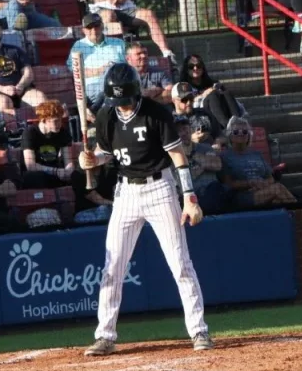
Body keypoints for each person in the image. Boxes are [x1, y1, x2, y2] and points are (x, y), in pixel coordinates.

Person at [78, 63, 213, 355]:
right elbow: (105, 153)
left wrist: (190, 197)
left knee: (180, 263)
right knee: (113, 266)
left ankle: (199, 330)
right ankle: (105, 336)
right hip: (125, 193)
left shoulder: (155, 113)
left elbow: (178, 156)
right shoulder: (106, 115)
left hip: (160, 188)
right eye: (118, 101)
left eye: (126, 101)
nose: (122, 106)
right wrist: (91, 160)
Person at [219, 116, 297, 209]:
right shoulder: (225, 156)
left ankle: (299, 213)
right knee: (278, 189)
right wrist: (250, 183)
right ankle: (301, 212)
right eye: (236, 132)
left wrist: (262, 184)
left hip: (263, 191)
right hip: (242, 196)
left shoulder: (256, 154)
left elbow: (270, 178)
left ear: (249, 136)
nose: (241, 134)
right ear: (230, 136)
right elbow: (228, 184)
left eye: (245, 132)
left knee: (278, 201)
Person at [67, 12, 127, 113]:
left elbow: (129, 66)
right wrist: (100, 70)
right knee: (109, 82)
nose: (94, 30)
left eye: (96, 26)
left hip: (119, 85)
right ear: (83, 30)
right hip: (92, 87)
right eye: (89, 28)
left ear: (102, 26)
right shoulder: (78, 46)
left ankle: (95, 112)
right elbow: (74, 71)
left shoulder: (118, 43)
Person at [173, 115, 228, 215]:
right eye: (178, 131)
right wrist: (203, 164)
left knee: (216, 189)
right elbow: (186, 178)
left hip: (209, 194)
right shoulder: (172, 154)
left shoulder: (205, 148)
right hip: (186, 198)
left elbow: (217, 165)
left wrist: (191, 153)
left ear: (190, 129)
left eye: (185, 129)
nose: (183, 133)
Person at [179, 54, 241, 134]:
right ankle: (227, 128)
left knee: (226, 93)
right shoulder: (184, 86)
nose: (195, 68)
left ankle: (239, 124)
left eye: (198, 66)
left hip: (218, 110)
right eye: (191, 66)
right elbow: (185, 102)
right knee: (212, 95)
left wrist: (219, 90)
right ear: (186, 69)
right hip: (199, 113)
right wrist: (205, 94)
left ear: (203, 68)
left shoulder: (212, 82)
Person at [21, 100, 74, 189]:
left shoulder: (63, 132)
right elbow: (30, 165)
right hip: (37, 174)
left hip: (57, 172)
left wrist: (68, 171)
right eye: (55, 121)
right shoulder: (29, 133)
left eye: (60, 120)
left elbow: (68, 161)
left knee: (77, 176)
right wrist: (55, 171)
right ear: (43, 120)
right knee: (35, 177)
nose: (59, 124)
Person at [171, 81, 224, 147]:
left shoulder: (205, 113)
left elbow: (220, 135)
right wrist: (190, 139)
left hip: (212, 151)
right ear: (174, 101)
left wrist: (217, 141)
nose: (188, 103)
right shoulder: (170, 121)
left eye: (191, 98)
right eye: (184, 100)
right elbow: (170, 147)